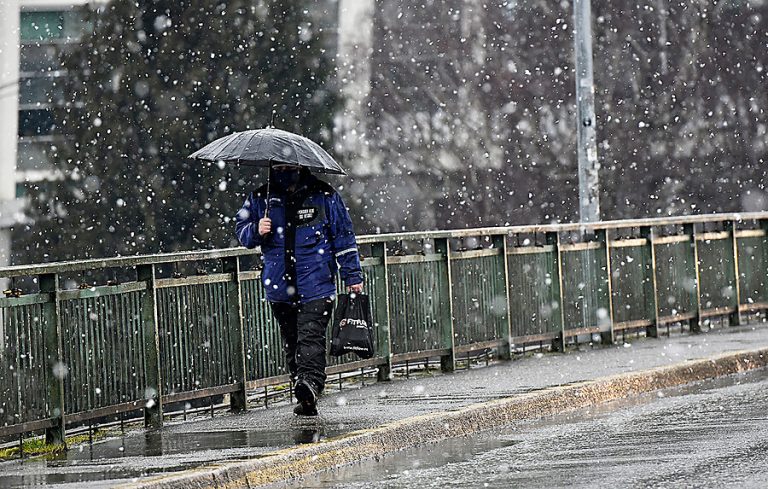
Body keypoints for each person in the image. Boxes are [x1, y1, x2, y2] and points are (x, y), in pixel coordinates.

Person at [235, 164, 363, 416]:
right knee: (292, 341)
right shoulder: (261, 198)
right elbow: (242, 232)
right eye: (280, 166)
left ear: (300, 166)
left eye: (289, 166)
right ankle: (303, 388)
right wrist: (256, 230)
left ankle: (310, 385)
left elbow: (344, 237)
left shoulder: (324, 195)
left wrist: (352, 276)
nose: (285, 171)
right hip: (280, 288)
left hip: (317, 285)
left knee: (310, 337)